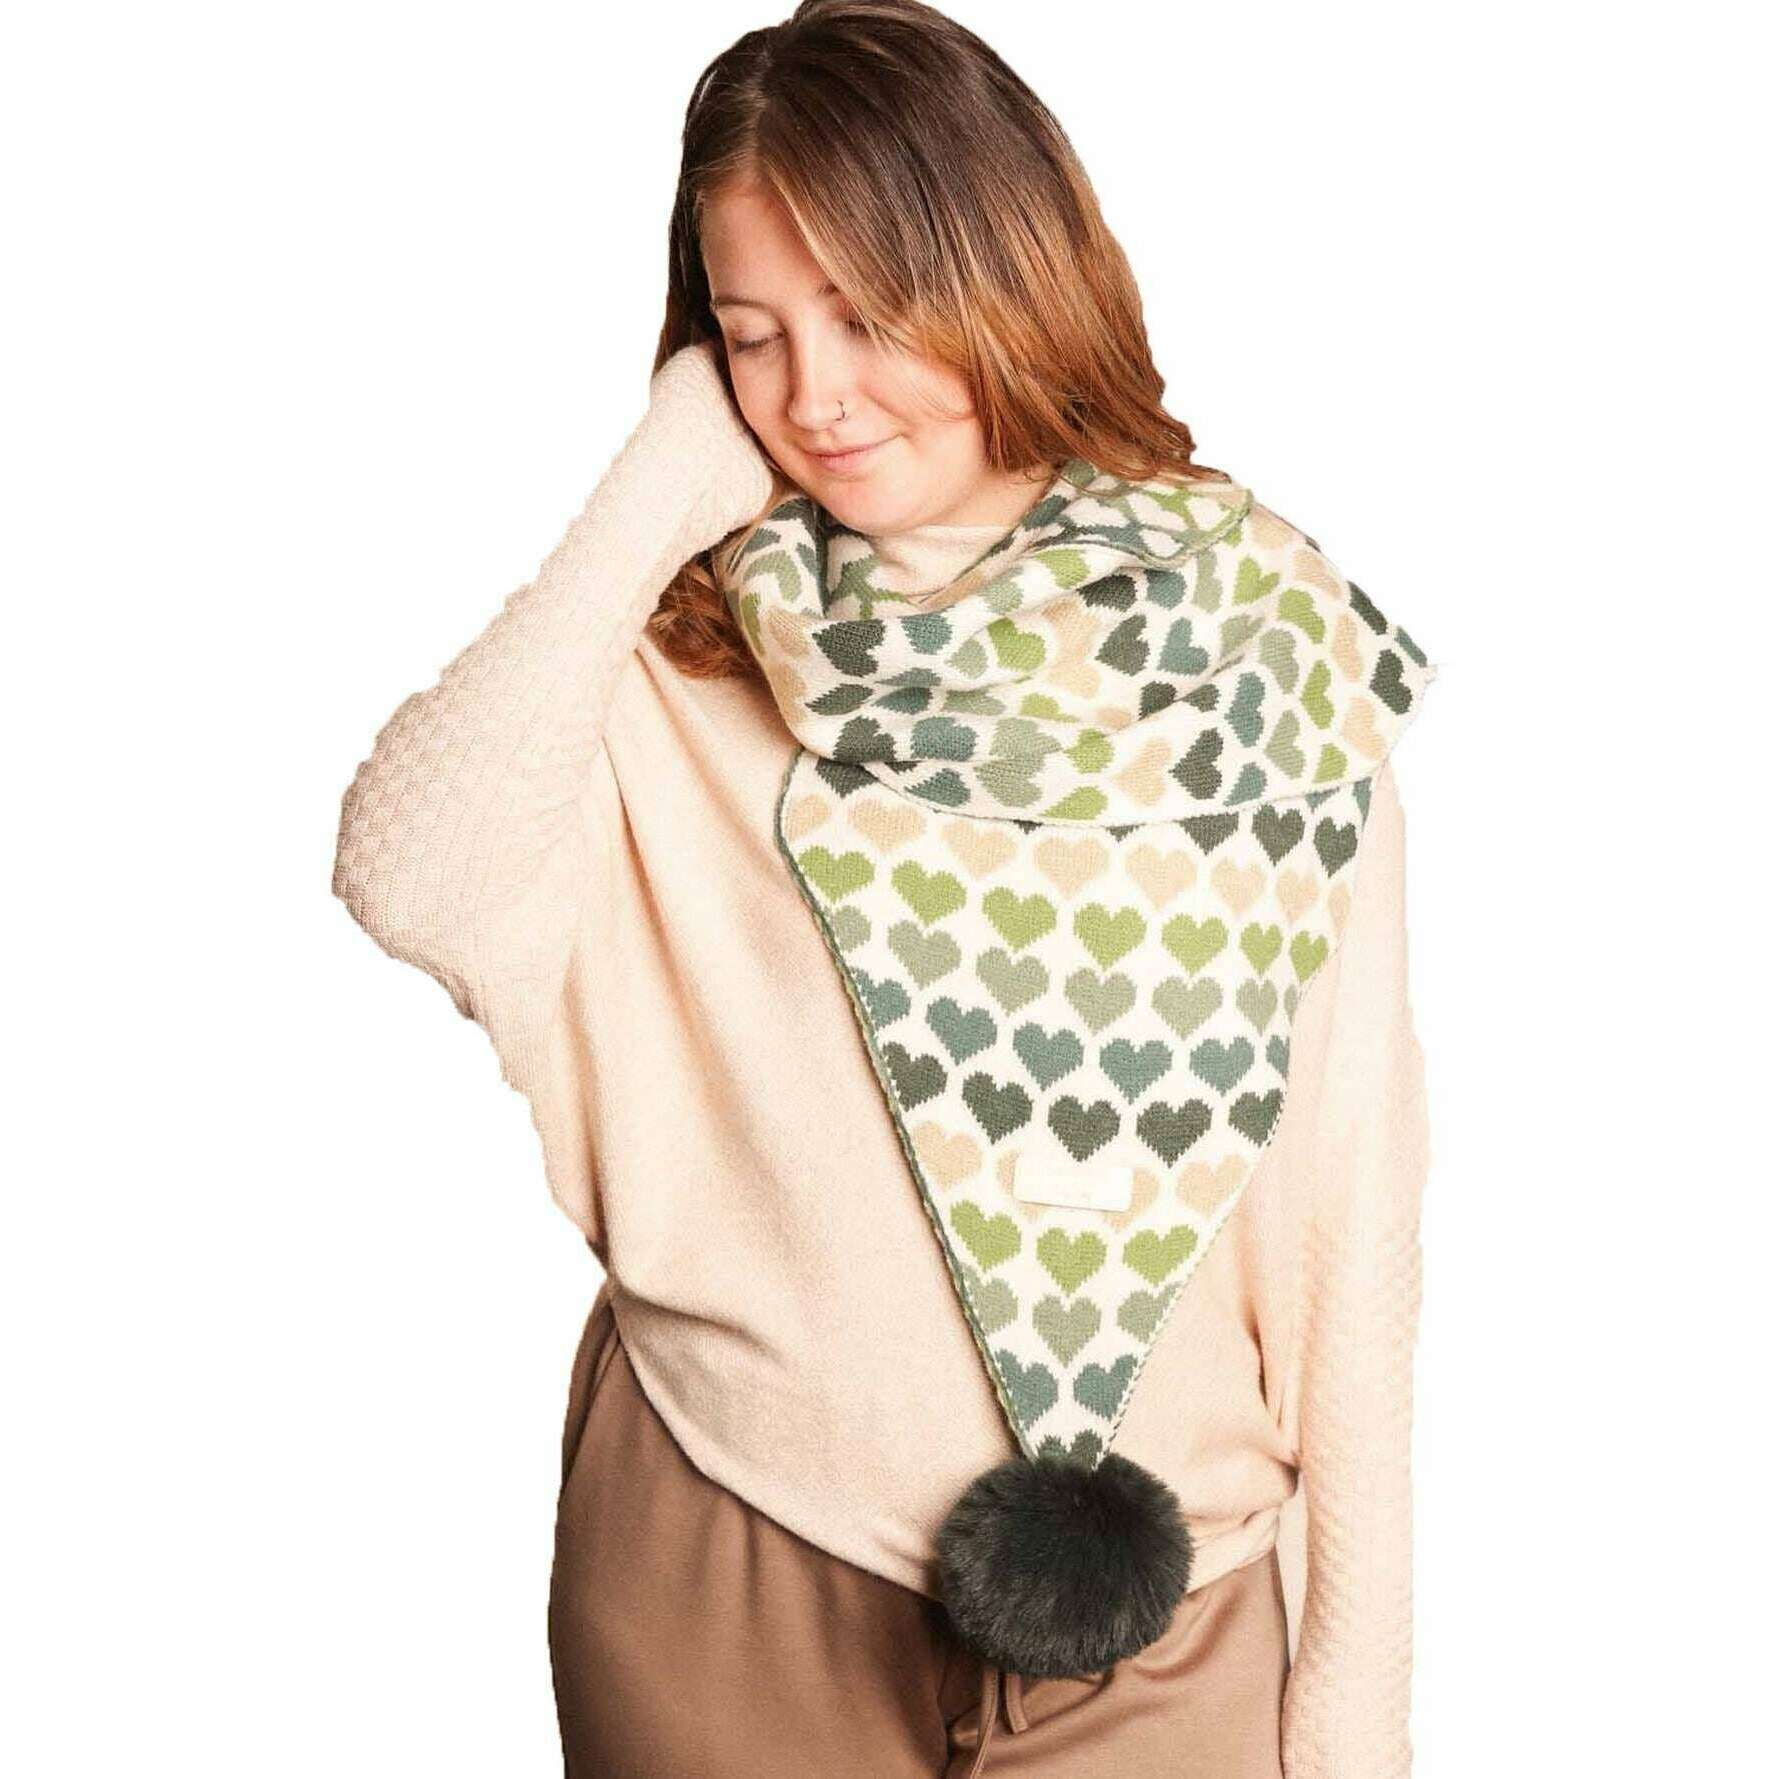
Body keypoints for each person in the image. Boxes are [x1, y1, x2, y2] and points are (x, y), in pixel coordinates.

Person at [331, 3, 1437, 1774]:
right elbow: (410, 878)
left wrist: (1354, 1709)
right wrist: (657, 490)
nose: (814, 397)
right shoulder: (685, 657)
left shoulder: (1260, 651)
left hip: (1170, 1598)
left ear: (1004, 274)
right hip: (729, 1550)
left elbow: (1349, 1219)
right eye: (752, 335)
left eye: (865, 314)